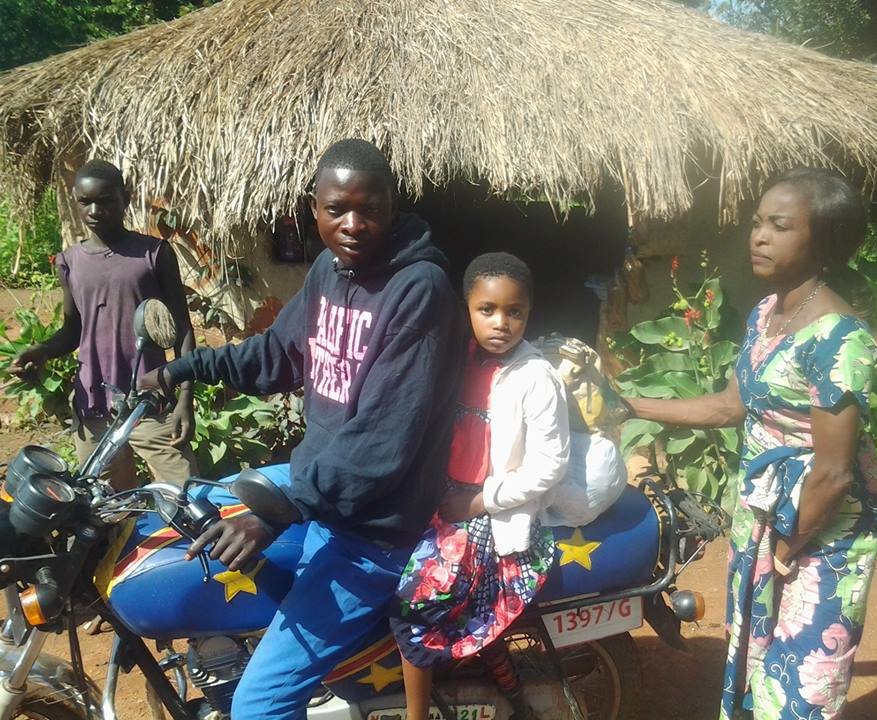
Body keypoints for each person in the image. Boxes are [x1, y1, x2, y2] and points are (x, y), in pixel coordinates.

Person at [139, 139, 464, 720]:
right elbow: (276, 355)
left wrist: (277, 514)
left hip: (374, 529)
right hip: (325, 490)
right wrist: (182, 370)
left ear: (392, 207)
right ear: (313, 209)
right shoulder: (328, 270)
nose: (353, 225)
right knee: (190, 503)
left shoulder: (420, 289)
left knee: (258, 706)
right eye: (337, 209)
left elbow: (382, 440)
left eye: (369, 209)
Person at [627, 168, 877, 720]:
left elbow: (834, 472)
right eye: (757, 223)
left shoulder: (840, 338)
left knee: (803, 678)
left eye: (780, 226)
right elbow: (729, 405)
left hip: (820, 529)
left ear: (824, 242)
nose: (760, 236)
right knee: (756, 657)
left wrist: (786, 549)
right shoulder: (767, 314)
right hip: (766, 515)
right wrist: (630, 405)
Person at [390, 252, 570, 720]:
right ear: (466, 308)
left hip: (490, 512)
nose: (501, 323)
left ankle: (415, 715)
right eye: (486, 309)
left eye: (515, 312)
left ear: (529, 313)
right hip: (440, 497)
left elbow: (549, 464)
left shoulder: (537, 377)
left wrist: (477, 501)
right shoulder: (455, 360)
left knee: (416, 606)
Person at [11, 159, 196, 490]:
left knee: (186, 494)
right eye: (85, 202)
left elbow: (182, 328)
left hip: (151, 403)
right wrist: (42, 350)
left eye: (106, 200)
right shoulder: (70, 262)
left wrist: (185, 399)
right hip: (94, 406)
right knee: (105, 503)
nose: (95, 211)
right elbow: (73, 330)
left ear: (126, 198)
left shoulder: (153, 254)